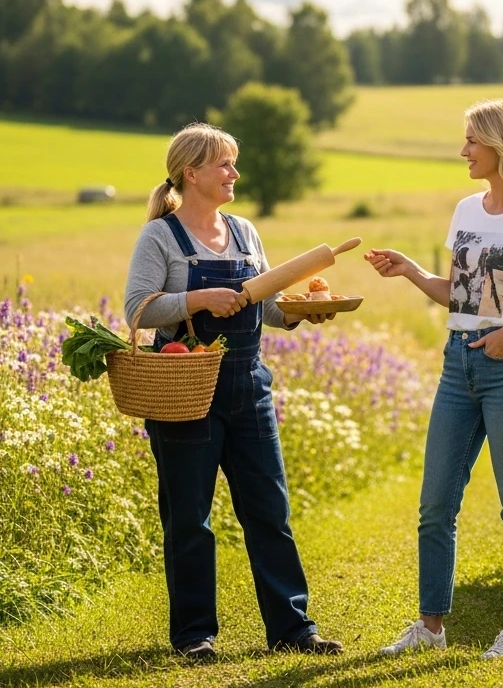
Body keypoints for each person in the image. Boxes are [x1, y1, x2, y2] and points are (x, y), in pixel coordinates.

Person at [366, 99, 503, 660]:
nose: (463, 151)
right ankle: (431, 626)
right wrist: (414, 272)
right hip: (457, 363)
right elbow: (464, 297)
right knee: (436, 502)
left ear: (501, 144)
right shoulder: (467, 209)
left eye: (472, 141)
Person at [124, 122, 342, 659]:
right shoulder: (161, 236)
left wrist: (299, 314)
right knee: (189, 518)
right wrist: (197, 301)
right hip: (186, 391)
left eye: (233, 163)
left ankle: (293, 630)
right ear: (190, 172)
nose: (234, 173)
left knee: (270, 509)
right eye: (224, 164)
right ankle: (194, 636)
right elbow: (138, 310)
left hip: (249, 388)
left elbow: (264, 304)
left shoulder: (245, 231)